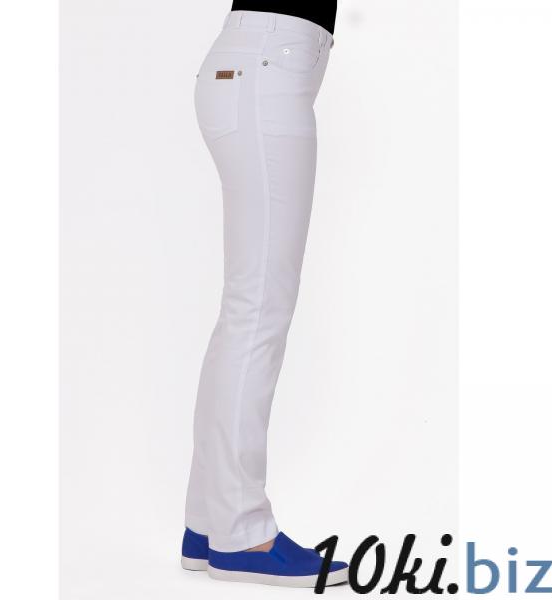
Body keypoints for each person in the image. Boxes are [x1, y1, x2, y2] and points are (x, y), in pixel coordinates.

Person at [181, 2, 346, 587]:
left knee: (246, 311)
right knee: (257, 311)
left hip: (260, 63)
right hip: (269, 66)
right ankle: (242, 532)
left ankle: (208, 522)